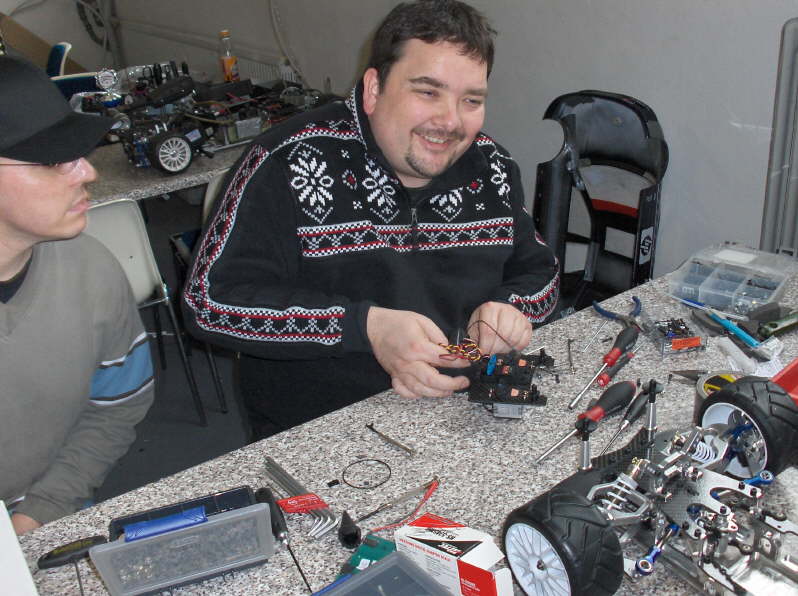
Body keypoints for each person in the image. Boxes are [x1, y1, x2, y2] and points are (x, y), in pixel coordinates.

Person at [183, 0, 559, 440]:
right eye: (427, 92)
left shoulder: (492, 167)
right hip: (323, 428)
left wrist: (512, 308)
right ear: (374, 89)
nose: (450, 121)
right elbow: (208, 304)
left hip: (463, 414)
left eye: (471, 100)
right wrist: (364, 327)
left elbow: (542, 274)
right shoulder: (284, 162)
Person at [0, 56, 154, 534]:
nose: (87, 172)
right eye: (53, 160)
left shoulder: (91, 268)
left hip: (47, 518)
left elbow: (117, 404)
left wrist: (40, 512)